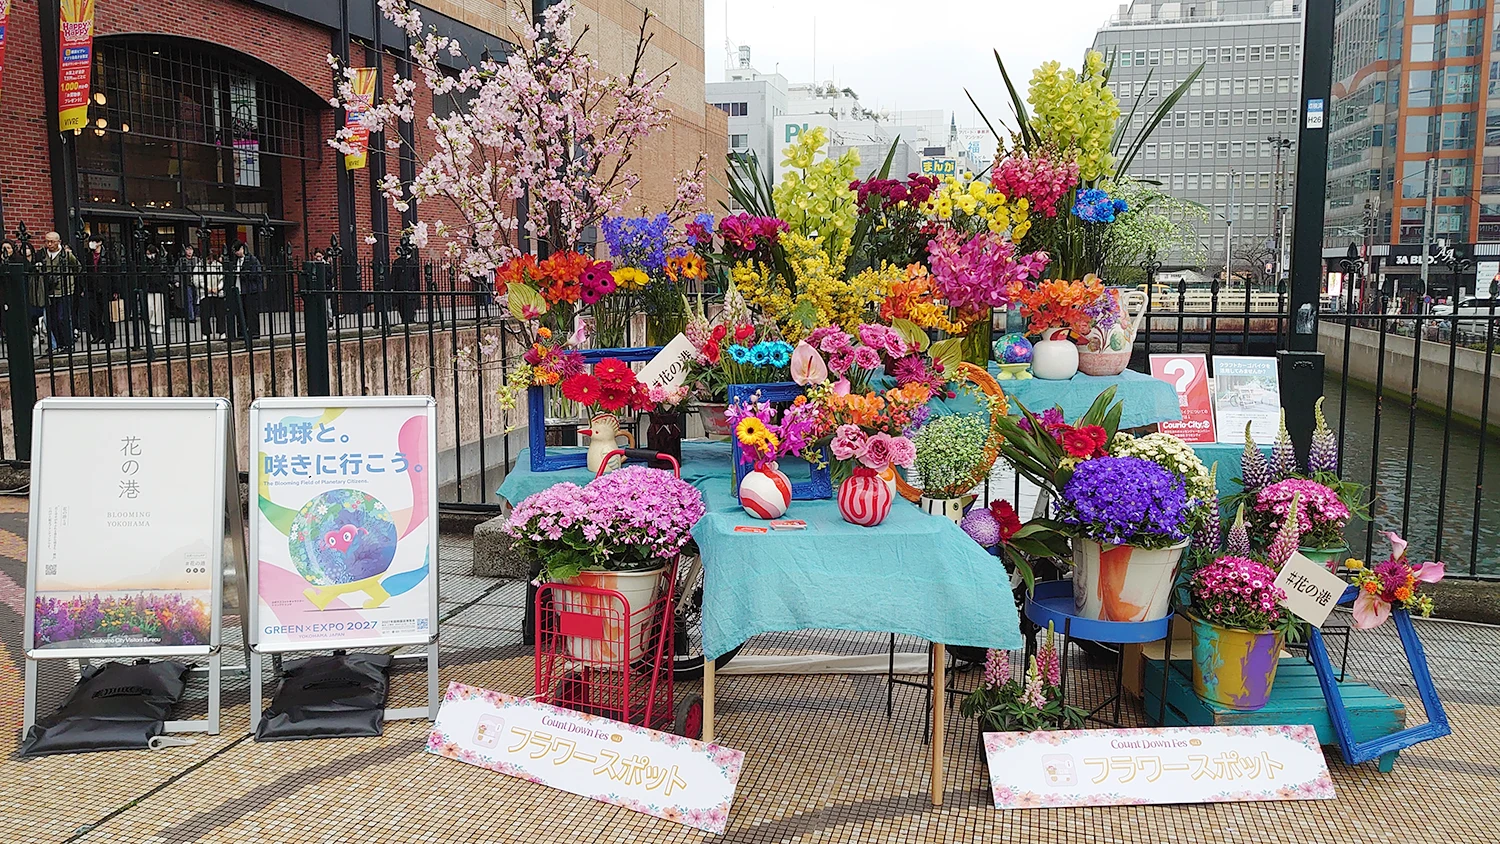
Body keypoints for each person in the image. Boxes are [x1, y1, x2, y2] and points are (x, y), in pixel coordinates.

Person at [34, 231, 81, 353]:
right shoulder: (42, 254)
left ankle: (68, 343)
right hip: (48, 290)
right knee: (51, 319)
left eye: (52, 241)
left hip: (64, 290)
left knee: (62, 318)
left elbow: (78, 268)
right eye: (47, 241)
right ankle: (58, 344)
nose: (49, 244)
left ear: (58, 242)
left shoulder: (66, 255)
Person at [224, 240, 263, 341]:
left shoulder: (252, 260)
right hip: (239, 290)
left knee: (251, 312)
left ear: (243, 249)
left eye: (238, 250)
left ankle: (254, 332)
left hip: (250, 290)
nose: (237, 253)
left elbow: (257, 274)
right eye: (235, 251)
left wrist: (244, 274)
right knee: (240, 312)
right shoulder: (235, 261)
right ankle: (241, 332)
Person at [198, 249, 225, 339]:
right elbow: (197, 279)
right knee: (205, 314)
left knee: (220, 314)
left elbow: (222, 278)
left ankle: (222, 332)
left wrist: (218, 288)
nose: (210, 259)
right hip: (205, 293)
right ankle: (205, 333)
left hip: (218, 293)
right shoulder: (199, 266)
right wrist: (207, 288)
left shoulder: (218, 266)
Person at [175, 245, 201, 325]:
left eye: (191, 249)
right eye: (187, 249)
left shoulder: (196, 260)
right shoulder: (181, 260)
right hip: (186, 282)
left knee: (195, 299)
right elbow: (177, 270)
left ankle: (194, 314)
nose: (189, 251)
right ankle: (191, 317)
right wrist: (177, 280)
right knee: (188, 299)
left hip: (196, 282)